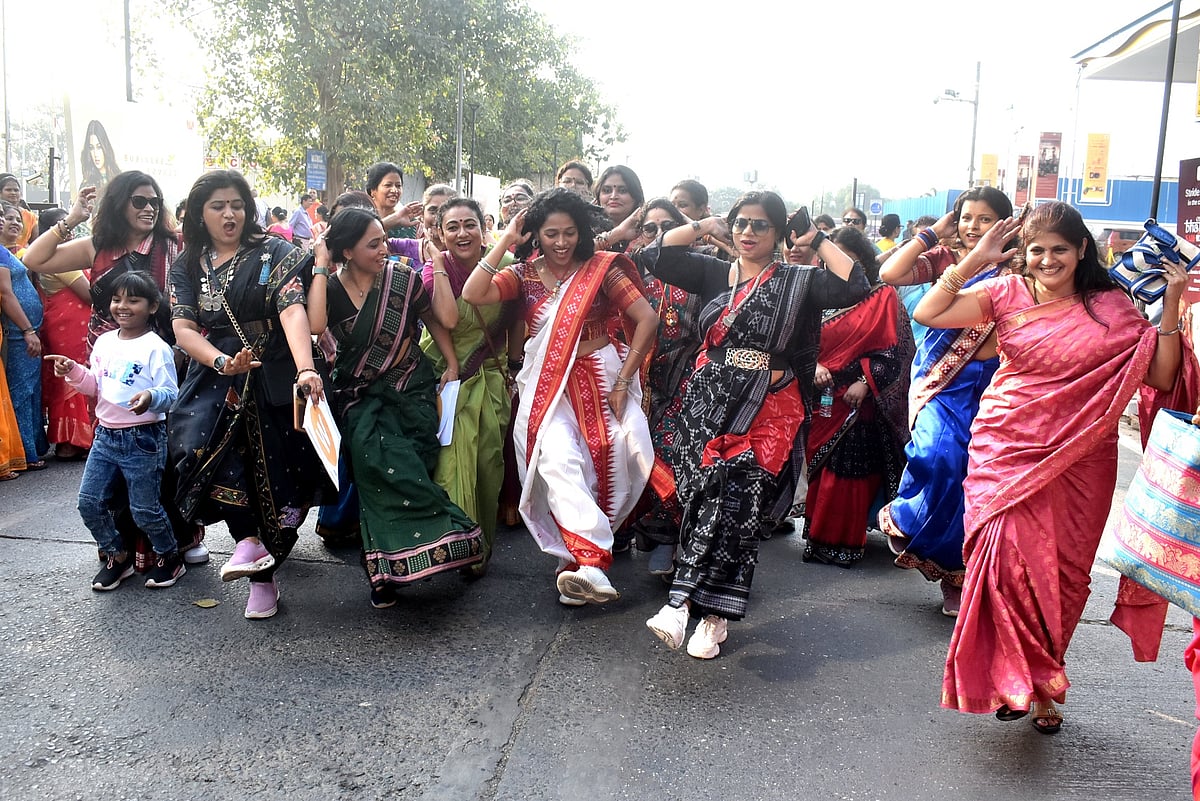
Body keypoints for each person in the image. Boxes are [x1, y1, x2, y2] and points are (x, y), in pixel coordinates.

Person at [921, 201, 1184, 734]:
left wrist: (1173, 302)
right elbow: (929, 312)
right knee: (1006, 566)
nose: (1046, 259)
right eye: (1037, 249)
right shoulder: (1003, 293)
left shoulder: (1113, 307)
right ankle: (1014, 681)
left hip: (1083, 456)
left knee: (1062, 575)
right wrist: (972, 259)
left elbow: (1160, 375)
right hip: (1006, 447)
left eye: (1059, 249)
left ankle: (1045, 685)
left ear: (1081, 249)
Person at [641, 190, 869, 659]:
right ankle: (711, 615)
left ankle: (685, 605)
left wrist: (817, 237)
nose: (747, 232)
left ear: (780, 231)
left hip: (769, 407)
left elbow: (855, 285)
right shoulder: (714, 272)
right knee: (707, 497)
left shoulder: (799, 281)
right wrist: (705, 226)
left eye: (761, 225)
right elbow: (656, 254)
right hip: (710, 401)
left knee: (737, 497)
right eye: (741, 222)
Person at [462, 188, 657, 606]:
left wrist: (625, 380)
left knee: (612, 457)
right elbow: (473, 294)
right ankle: (590, 560)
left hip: (603, 374)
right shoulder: (524, 274)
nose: (562, 242)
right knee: (556, 460)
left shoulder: (601, 269)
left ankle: (576, 563)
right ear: (536, 234)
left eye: (570, 233)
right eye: (551, 233)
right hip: (548, 382)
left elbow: (647, 318)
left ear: (582, 232)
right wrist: (506, 238)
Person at [168, 169, 332, 620]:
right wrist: (221, 363)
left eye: (237, 204)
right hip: (217, 372)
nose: (229, 214)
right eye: (218, 205)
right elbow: (183, 327)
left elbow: (293, 310)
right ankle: (247, 543)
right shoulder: (186, 265)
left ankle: (263, 573)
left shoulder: (274, 253)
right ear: (200, 213)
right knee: (198, 451)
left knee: (277, 476)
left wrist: (305, 368)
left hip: (275, 370)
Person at [306, 207, 484, 607]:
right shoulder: (330, 289)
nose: (384, 249)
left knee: (415, 465)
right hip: (359, 397)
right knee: (375, 471)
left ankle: (429, 549)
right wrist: (320, 264)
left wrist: (451, 363)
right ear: (347, 252)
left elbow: (435, 320)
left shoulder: (401, 278)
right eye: (373, 244)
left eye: (384, 240)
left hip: (411, 387)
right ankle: (387, 570)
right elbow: (316, 326)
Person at [23, 172, 199, 564]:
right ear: (119, 204)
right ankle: (123, 547)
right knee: (117, 459)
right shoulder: (100, 247)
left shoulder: (175, 247)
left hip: (165, 361)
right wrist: (71, 219)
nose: (149, 208)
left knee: (169, 457)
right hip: (109, 364)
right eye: (139, 201)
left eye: (154, 200)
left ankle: (179, 538)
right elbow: (33, 259)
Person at [876, 186, 1014, 616]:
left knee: (977, 482)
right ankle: (908, 517)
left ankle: (960, 577)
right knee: (942, 457)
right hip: (943, 381)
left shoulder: (1017, 266)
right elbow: (890, 274)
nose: (974, 226)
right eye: (967, 217)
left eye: (985, 218)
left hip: (995, 382)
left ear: (1005, 225)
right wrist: (933, 233)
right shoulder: (946, 259)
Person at [46, 271, 182, 590]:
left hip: (144, 439)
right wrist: (73, 371)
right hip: (105, 437)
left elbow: (171, 394)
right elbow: (95, 386)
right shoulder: (105, 342)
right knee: (89, 503)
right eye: (117, 299)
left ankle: (169, 556)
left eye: (133, 300)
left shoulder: (155, 348)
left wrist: (150, 397)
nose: (123, 306)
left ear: (151, 306)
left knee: (145, 509)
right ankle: (116, 555)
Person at [802, 226, 914, 567]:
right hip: (821, 396)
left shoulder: (883, 297)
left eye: (844, 258)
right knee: (821, 469)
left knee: (847, 469)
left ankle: (842, 542)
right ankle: (817, 535)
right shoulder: (815, 292)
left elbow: (897, 351)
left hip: (858, 401)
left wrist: (866, 381)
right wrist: (815, 363)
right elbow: (797, 342)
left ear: (860, 259)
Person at [419, 197, 516, 576]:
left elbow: (515, 320)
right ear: (440, 234)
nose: (462, 233)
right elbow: (446, 317)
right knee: (451, 464)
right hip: (446, 377)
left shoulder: (508, 269)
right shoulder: (431, 272)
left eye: (469, 224)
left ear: (483, 227)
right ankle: (459, 543)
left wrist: (514, 367)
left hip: (491, 375)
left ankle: (480, 546)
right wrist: (440, 266)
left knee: (487, 462)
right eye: (452, 227)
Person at [625, 198, 705, 575]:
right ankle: (649, 534)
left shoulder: (705, 271)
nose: (657, 235)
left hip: (690, 381)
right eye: (649, 228)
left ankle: (670, 540)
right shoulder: (629, 270)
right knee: (640, 459)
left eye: (666, 227)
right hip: (639, 382)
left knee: (674, 460)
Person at [33, 209, 93, 460]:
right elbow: (89, 293)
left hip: (67, 324)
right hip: (67, 327)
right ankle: (69, 442)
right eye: (67, 227)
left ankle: (75, 440)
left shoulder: (58, 256)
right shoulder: (60, 260)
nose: (72, 232)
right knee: (72, 378)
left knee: (73, 377)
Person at [0, 206, 48, 471]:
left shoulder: (7, 251)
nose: (10, 223)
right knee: (22, 391)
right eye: (7, 219)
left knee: (31, 392)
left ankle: (33, 447)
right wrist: (27, 330)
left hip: (27, 331)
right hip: (19, 333)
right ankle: (26, 452)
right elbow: (6, 295)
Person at [593, 165, 645, 251]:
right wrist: (619, 233)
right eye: (607, 190)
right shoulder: (583, 230)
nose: (613, 196)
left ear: (636, 197)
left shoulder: (649, 231)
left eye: (622, 190)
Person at [365, 162, 422, 239]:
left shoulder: (410, 221)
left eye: (398, 186)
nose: (394, 190)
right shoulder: (362, 219)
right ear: (373, 191)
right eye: (388, 185)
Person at [78, 120, 121, 195]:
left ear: (105, 147)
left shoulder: (119, 179)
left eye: (99, 147)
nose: (95, 154)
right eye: (91, 148)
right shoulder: (87, 186)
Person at [0, 174, 38, 250]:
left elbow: (34, 243)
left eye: (16, 190)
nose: (13, 193)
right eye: (8, 190)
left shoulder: (30, 217)